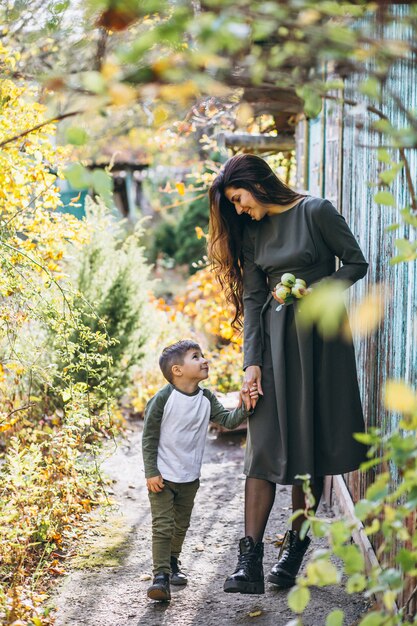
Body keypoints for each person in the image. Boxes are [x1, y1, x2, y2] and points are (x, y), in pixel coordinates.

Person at [208, 154, 368, 594]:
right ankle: (249, 563)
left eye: (239, 200)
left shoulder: (316, 211)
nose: (239, 211)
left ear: (258, 184)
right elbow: (255, 302)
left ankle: (293, 553)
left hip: (320, 343)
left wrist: (317, 290)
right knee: (261, 447)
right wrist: (251, 366)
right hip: (274, 346)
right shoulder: (253, 233)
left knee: (308, 448)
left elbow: (355, 264)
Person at [142, 339, 258, 602]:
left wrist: (245, 407)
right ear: (177, 370)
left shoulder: (206, 398)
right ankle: (160, 577)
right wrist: (151, 471)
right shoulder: (163, 398)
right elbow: (149, 437)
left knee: (181, 524)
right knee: (162, 525)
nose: (204, 360)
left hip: (189, 477)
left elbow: (227, 421)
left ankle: (172, 563)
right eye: (196, 356)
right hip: (162, 475)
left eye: (203, 355)